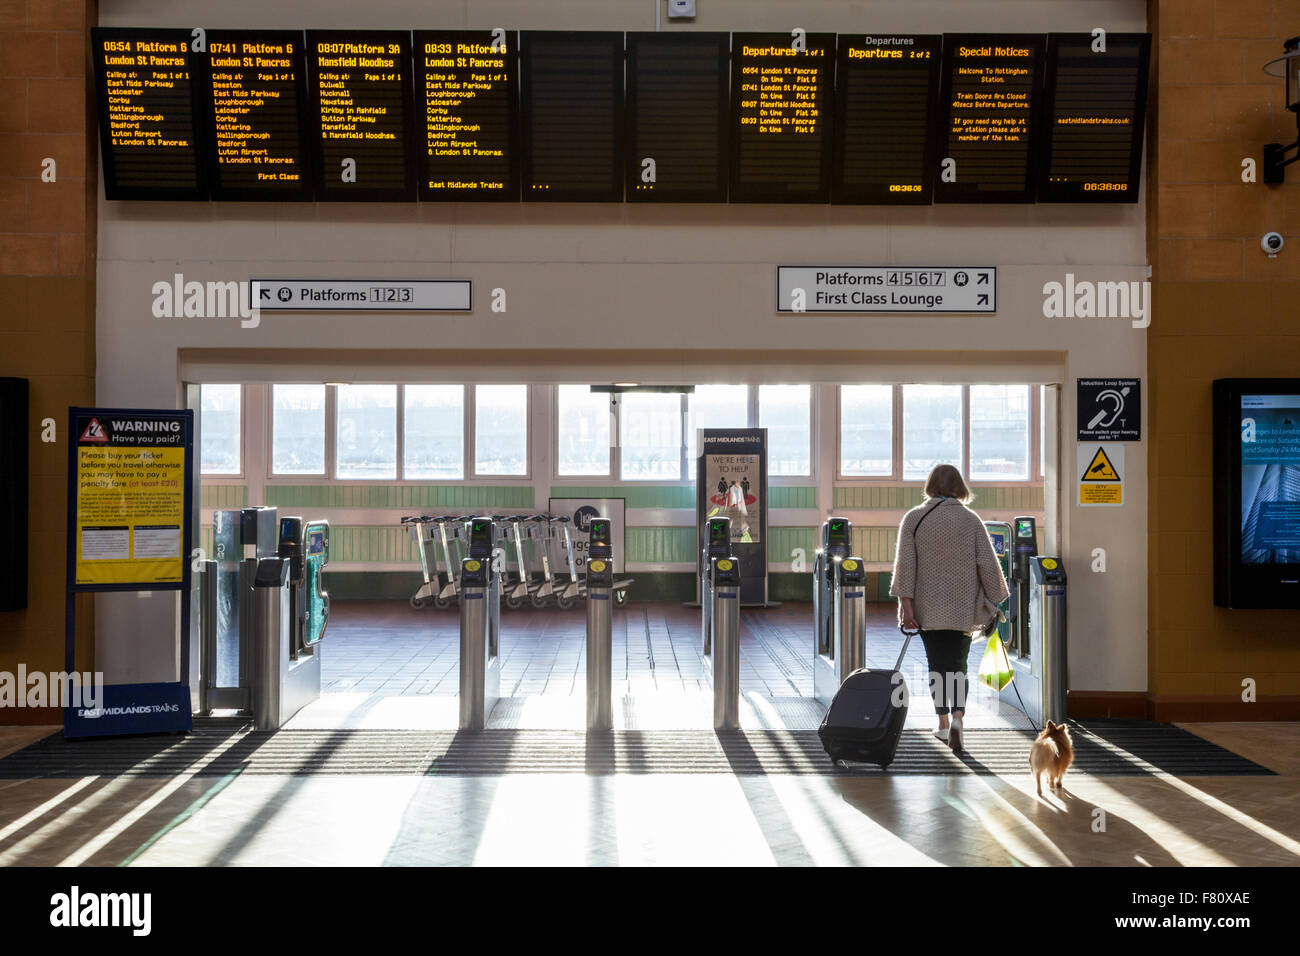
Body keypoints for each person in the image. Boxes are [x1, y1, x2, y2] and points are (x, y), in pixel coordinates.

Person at [890, 464, 1009, 752]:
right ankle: (958, 717)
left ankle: (943, 723)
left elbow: (905, 567)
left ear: (931, 485)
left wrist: (907, 608)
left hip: (927, 609)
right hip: (962, 609)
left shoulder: (914, 518)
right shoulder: (971, 520)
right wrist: (994, 601)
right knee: (957, 666)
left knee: (937, 666)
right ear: (960, 487)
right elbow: (989, 566)